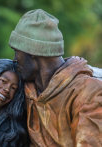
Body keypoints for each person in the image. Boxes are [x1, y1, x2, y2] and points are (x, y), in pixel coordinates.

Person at [9, 9, 102, 147]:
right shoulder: (26, 89)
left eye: (17, 52)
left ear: (32, 53)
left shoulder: (88, 92)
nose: (14, 59)